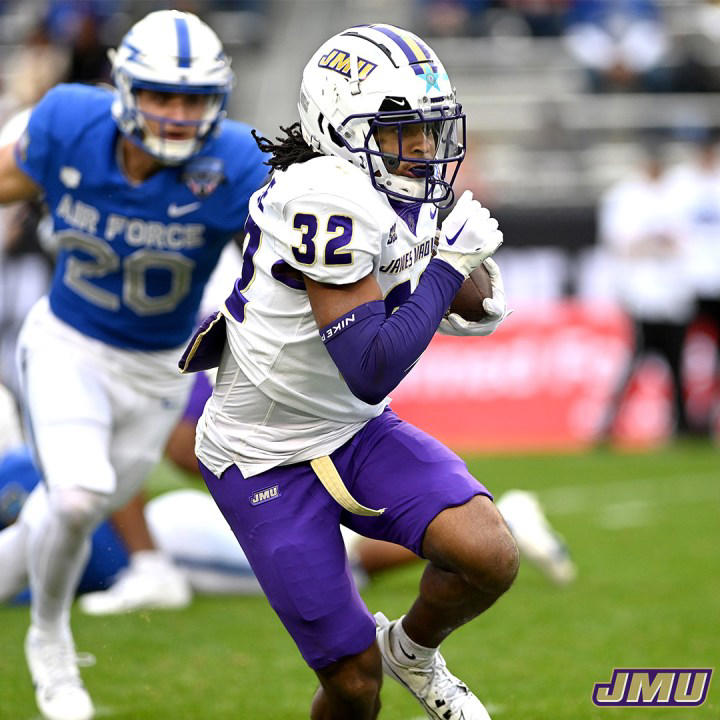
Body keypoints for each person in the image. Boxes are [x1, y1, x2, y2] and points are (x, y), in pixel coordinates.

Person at [184, 24, 517, 720]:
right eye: (403, 130)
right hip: (263, 454)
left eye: (429, 130)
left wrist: (459, 272)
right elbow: (371, 365)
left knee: (489, 553)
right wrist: (448, 263)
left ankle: (415, 650)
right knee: (353, 682)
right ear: (340, 126)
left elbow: (475, 306)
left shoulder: (390, 182)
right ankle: (381, 662)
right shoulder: (321, 194)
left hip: (348, 426)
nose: (423, 148)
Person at [0, 9, 268, 720]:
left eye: (193, 100)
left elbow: (301, 261)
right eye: (159, 95)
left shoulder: (237, 164)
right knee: (80, 496)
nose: (177, 115)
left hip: (158, 371)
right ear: (123, 88)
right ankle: (50, 645)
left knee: (75, 509)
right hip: (68, 343)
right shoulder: (68, 122)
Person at [597, 142, 696, 440]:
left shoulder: (678, 194)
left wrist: (652, 244)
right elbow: (620, 242)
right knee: (635, 363)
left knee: (677, 364)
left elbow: (687, 241)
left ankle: (683, 424)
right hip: (642, 294)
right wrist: (655, 243)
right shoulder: (626, 196)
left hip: (673, 294)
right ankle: (610, 423)